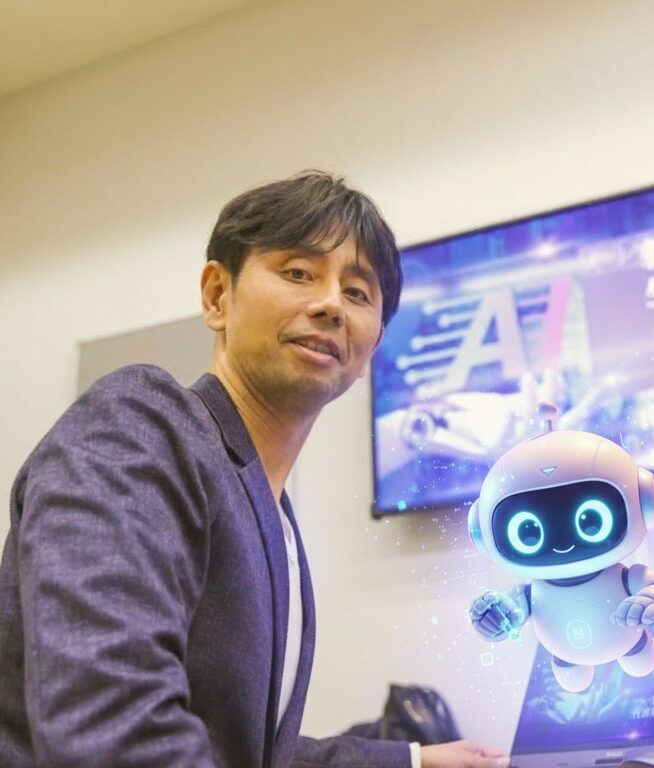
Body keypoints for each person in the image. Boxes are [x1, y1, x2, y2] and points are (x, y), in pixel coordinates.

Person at [0, 171, 510, 768]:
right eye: (298, 273)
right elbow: (112, 722)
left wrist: (416, 761)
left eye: (357, 292)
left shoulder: (277, 520)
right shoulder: (140, 423)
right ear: (218, 296)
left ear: (373, 345)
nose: (330, 304)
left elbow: (248, 753)